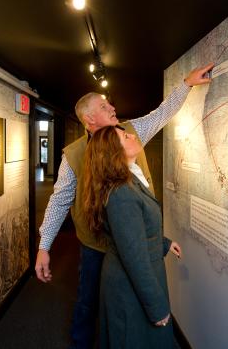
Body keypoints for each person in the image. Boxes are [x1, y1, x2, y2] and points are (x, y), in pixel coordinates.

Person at [35, 62, 213, 348]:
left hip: (134, 241)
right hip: (97, 245)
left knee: (125, 307)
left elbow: (162, 113)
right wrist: (45, 246)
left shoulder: (130, 130)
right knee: (88, 305)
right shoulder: (74, 155)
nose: (112, 109)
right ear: (89, 120)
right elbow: (60, 200)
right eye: (104, 107)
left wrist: (186, 84)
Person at [82, 125, 181, 348]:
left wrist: (164, 244)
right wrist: (156, 306)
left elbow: (136, 233)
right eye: (125, 136)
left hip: (131, 279)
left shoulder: (128, 180)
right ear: (113, 152)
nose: (132, 135)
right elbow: (134, 259)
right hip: (130, 288)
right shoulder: (122, 194)